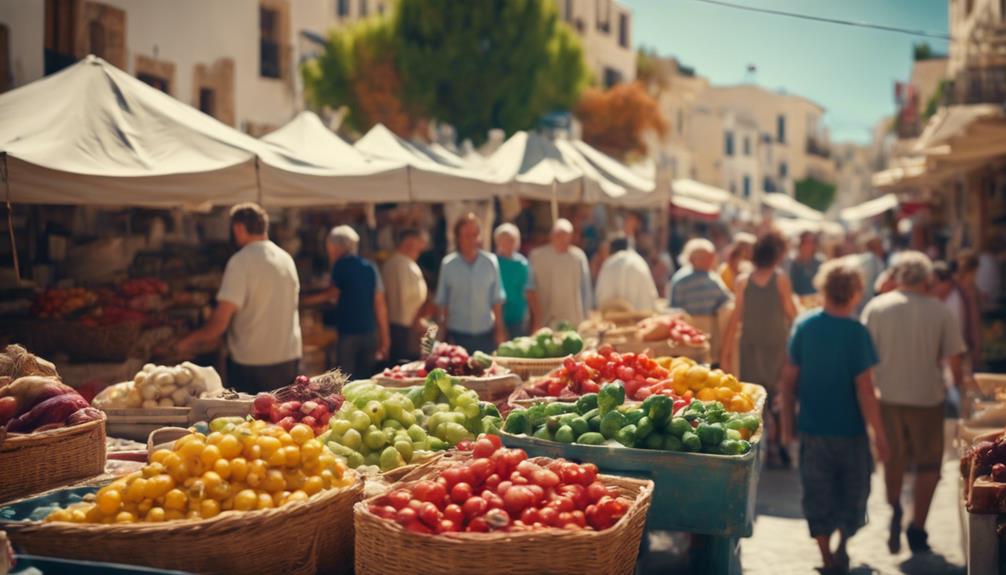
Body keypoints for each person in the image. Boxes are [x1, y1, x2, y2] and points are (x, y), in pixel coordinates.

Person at [780, 258, 889, 574]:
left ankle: (827, 556)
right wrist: (879, 436)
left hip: (812, 430)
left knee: (817, 494)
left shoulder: (805, 325)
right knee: (852, 494)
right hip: (851, 432)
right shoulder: (857, 333)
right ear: (856, 293)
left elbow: (788, 382)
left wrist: (787, 426)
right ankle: (841, 546)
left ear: (823, 289)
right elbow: (866, 390)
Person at [862, 251, 966, 555]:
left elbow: (864, 360)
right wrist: (956, 387)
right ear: (927, 279)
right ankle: (918, 526)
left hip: (887, 397)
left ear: (897, 277)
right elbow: (954, 361)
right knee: (929, 464)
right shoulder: (940, 310)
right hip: (927, 398)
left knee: (892, 459)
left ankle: (895, 508)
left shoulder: (877, 307)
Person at [176, 203, 302, 393]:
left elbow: (218, 325)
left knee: (252, 422)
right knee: (284, 420)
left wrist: (184, 343)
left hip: (253, 363)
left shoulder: (241, 262)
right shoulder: (286, 258)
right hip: (288, 358)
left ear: (239, 228)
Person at [721, 230, 797, 465]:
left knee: (758, 397)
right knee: (778, 395)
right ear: (777, 254)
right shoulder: (780, 278)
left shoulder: (743, 281)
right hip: (776, 345)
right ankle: (778, 444)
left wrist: (726, 351)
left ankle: (766, 444)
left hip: (751, 346)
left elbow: (736, 318)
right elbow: (791, 313)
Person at [302, 225, 390, 379]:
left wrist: (305, 301)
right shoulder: (371, 267)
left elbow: (332, 293)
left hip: (349, 332)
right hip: (370, 331)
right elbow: (380, 303)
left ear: (335, 246)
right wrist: (385, 337)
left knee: (346, 379)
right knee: (366, 379)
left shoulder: (340, 265)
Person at [434, 213, 506, 353]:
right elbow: (442, 304)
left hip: (485, 333)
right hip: (457, 334)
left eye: (475, 235)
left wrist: (499, 331)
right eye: (467, 236)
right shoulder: (448, 265)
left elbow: (497, 301)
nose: (472, 240)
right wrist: (440, 336)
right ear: (458, 238)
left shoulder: (490, 262)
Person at [527, 218, 593, 330]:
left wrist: (587, 313)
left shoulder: (578, 257)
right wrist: (535, 316)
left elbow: (585, 287)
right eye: (559, 235)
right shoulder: (537, 256)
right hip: (546, 317)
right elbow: (530, 286)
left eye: (566, 235)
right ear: (552, 235)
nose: (563, 239)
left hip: (572, 317)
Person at [381, 228, 430, 363]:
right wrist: (419, 318)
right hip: (408, 329)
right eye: (418, 248)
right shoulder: (405, 265)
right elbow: (413, 298)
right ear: (408, 244)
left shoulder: (389, 264)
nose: (419, 253)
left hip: (394, 326)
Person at [669, 239, 732, 318]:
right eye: (704, 258)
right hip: (688, 324)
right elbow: (674, 307)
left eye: (710, 258)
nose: (709, 261)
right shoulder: (681, 280)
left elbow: (725, 300)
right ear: (691, 259)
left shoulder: (713, 278)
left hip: (709, 324)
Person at [595, 236, 659, 312]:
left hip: (614, 321)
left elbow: (600, 300)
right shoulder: (639, 261)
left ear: (611, 249)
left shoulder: (609, 263)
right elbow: (652, 296)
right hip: (642, 318)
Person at [494, 223, 530, 339]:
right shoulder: (493, 263)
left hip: (518, 316)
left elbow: (529, 290)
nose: (507, 244)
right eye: (503, 240)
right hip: (497, 316)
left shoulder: (522, 264)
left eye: (511, 240)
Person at [956, 250, 983, 370]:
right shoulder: (969, 291)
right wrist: (976, 349)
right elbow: (974, 323)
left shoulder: (953, 287)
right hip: (963, 343)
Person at [857, 235, 887, 314]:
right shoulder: (870, 259)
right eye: (880, 244)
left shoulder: (873, 259)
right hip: (867, 303)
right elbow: (867, 285)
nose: (882, 248)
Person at [789, 231, 824, 297]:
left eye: (812, 242)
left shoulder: (820, 262)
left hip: (815, 302)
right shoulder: (792, 263)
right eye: (806, 242)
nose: (809, 245)